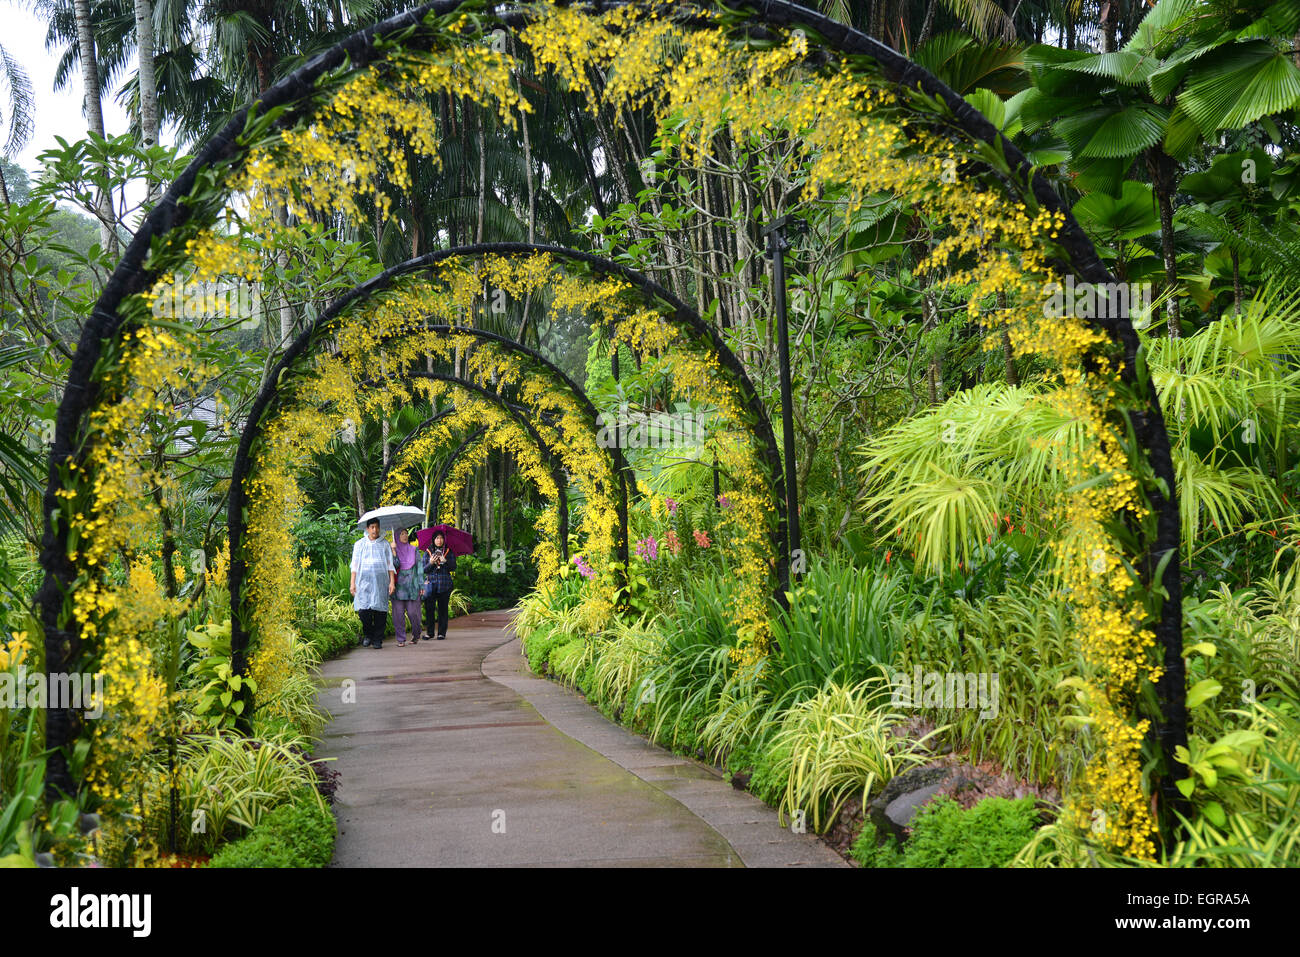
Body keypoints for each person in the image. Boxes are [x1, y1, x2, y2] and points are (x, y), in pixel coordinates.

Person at [350, 517, 395, 649]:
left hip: (381, 582)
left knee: (380, 611)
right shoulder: (359, 544)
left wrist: (392, 582)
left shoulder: (385, 544)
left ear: (379, 528)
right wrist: (352, 583)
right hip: (363, 582)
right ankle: (368, 635)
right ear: (367, 529)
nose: (374, 530)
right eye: (372, 527)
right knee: (364, 611)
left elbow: (390, 565)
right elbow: (355, 565)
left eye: (376, 527)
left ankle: (378, 639)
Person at [422, 531, 457, 641]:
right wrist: (431, 562)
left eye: (441, 538)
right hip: (430, 585)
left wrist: (444, 561)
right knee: (429, 609)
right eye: (437, 538)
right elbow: (423, 569)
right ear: (433, 540)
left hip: (444, 585)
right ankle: (430, 633)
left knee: (443, 610)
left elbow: (453, 567)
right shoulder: (427, 552)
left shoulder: (448, 551)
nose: (439, 540)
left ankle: (441, 633)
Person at [391, 527, 423, 646]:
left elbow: (419, 568)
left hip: (412, 588)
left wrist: (421, 585)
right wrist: (394, 552)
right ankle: (401, 639)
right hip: (397, 588)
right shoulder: (392, 550)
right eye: (402, 534)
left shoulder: (414, 549)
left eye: (406, 534)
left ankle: (416, 634)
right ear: (396, 537)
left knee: (413, 613)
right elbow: (393, 567)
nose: (405, 536)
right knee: (398, 614)